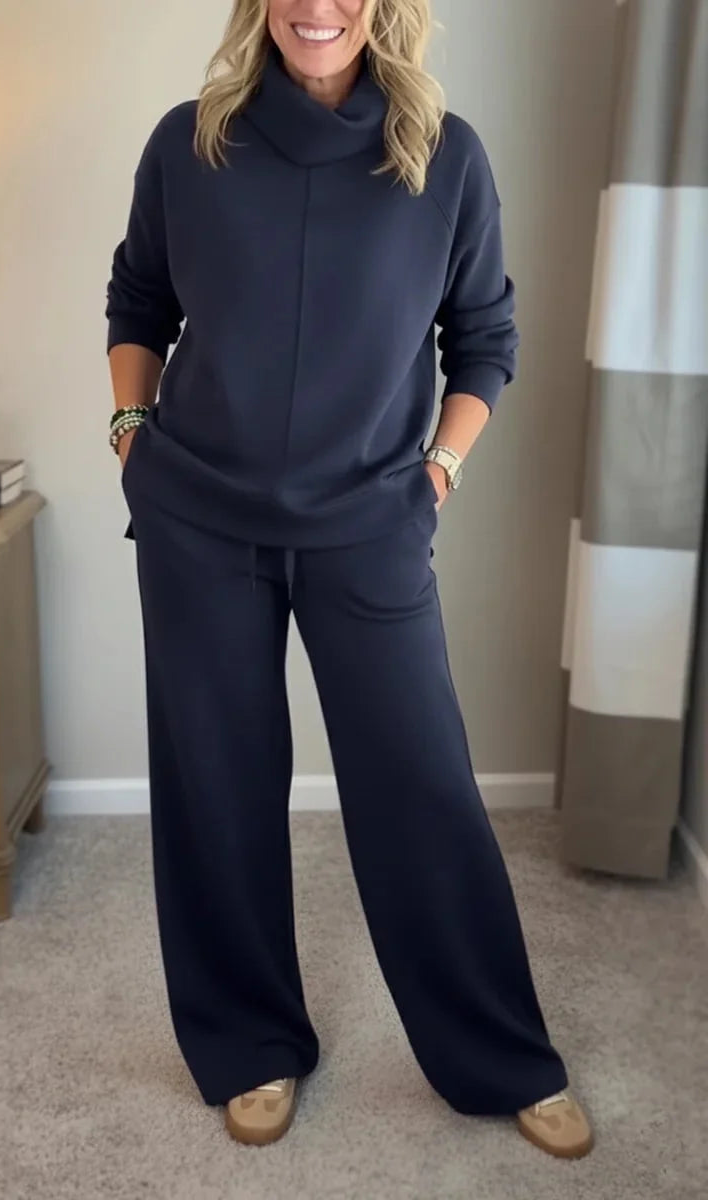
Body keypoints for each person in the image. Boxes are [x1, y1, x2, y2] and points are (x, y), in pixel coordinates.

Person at [105, 0, 594, 1158]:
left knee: (419, 786)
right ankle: (249, 1045)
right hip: (197, 522)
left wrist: (438, 469)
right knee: (215, 786)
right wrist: (130, 434)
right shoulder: (188, 143)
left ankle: (498, 1055)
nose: (315, 6)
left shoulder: (442, 156)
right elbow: (138, 299)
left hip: (370, 521)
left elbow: (483, 337)